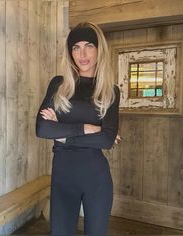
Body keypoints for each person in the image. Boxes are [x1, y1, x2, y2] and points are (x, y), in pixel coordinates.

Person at [36, 22, 121, 236]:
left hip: (97, 178)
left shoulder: (110, 91)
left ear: (99, 49)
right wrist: (87, 128)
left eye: (89, 46)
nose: (82, 53)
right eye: (76, 47)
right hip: (63, 178)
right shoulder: (59, 84)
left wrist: (63, 134)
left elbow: (107, 140)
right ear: (70, 51)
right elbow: (43, 128)